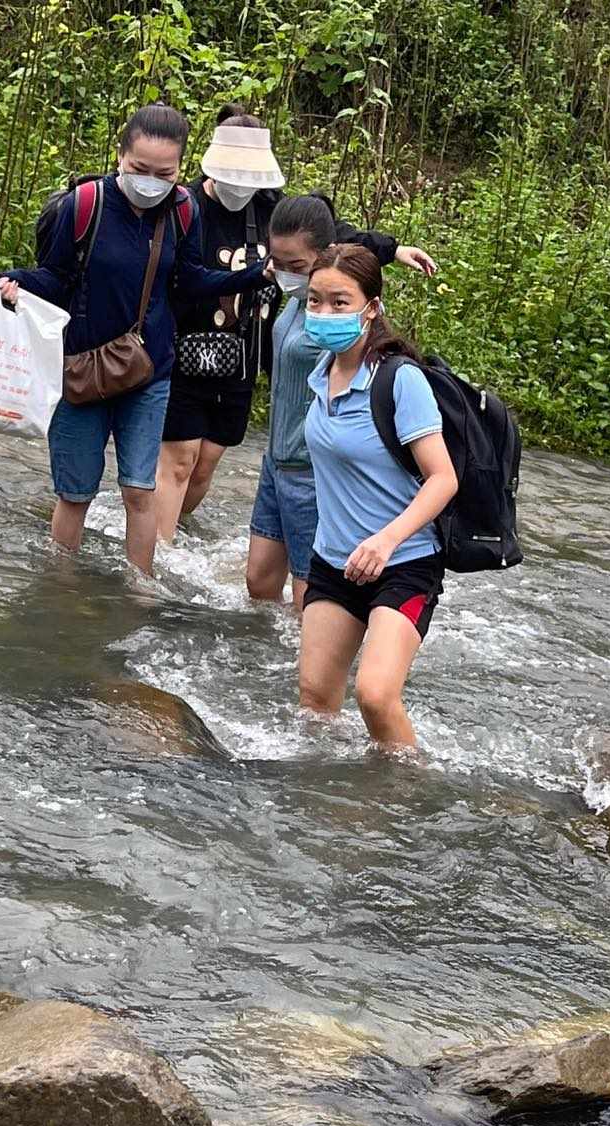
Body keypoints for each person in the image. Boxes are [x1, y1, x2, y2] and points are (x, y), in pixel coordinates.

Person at [0, 104, 270, 577]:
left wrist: (250, 278)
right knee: (75, 493)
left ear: (180, 169)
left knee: (141, 490)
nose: (150, 180)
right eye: (139, 168)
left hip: (148, 371)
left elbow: (190, 281)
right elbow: (57, 276)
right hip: (81, 369)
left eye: (163, 172)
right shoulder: (85, 205)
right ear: (120, 156)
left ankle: (140, 588)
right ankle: (60, 585)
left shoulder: (184, 211)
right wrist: (15, 283)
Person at [155, 117, 438, 548]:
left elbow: (327, 237)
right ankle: (157, 550)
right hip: (185, 349)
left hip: (241, 353)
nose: (239, 186)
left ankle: (171, 526)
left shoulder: (268, 207)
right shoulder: (187, 207)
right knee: (179, 460)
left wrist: (391, 249)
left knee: (205, 463)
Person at [296, 243, 458, 753]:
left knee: (374, 695)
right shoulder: (320, 374)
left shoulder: (400, 380)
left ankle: (410, 799)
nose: (324, 313)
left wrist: (386, 541)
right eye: (315, 301)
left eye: (339, 302)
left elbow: (443, 479)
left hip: (403, 563)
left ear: (371, 307)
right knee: (316, 701)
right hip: (334, 562)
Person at [247, 194, 436, 607]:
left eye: (295, 266)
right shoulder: (299, 304)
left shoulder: (337, 324)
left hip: (312, 472)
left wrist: (387, 252)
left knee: (308, 597)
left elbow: (352, 250)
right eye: (278, 262)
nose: (284, 274)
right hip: (275, 462)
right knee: (259, 584)